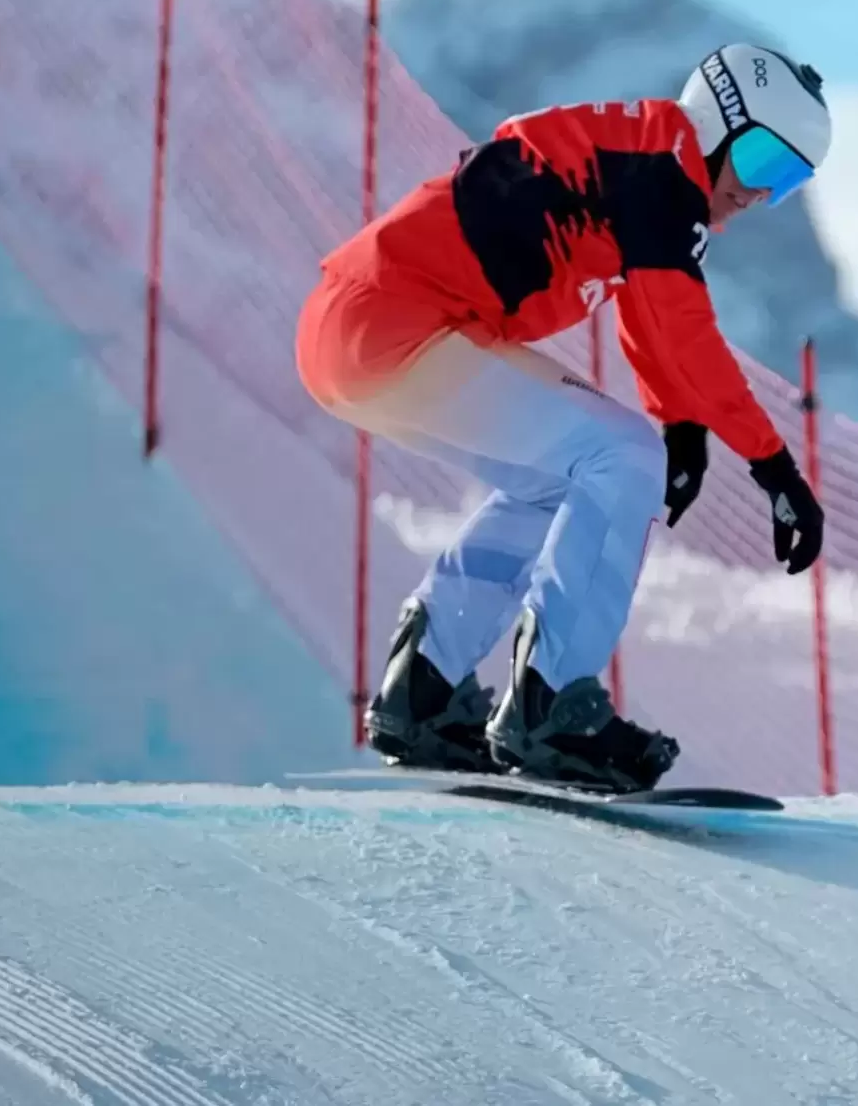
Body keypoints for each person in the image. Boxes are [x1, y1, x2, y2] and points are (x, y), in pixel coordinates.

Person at [293, 43, 829, 792]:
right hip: (393, 322)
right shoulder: (661, 171)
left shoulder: (647, 168)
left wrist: (682, 424)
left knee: (560, 477)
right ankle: (551, 705)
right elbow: (681, 327)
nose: (761, 194)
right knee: (619, 457)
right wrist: (771, 464)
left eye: (791, 181)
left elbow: (644, 313)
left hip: (361, 329)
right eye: (766, 162)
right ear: (720, 121)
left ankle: (425, 690)